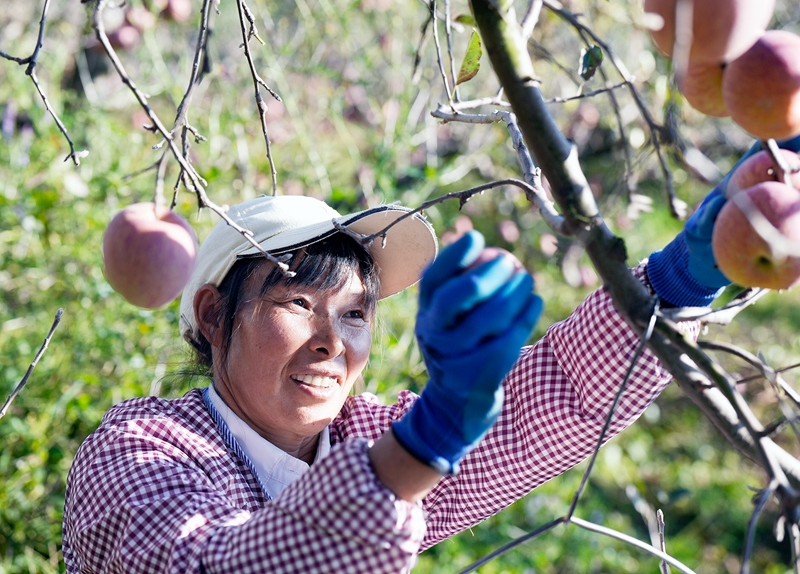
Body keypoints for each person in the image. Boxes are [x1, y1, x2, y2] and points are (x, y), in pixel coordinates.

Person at [63, 146, 757, 573]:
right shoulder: (138, 453)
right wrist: (422, 445)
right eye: (299, 303)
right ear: (215, 316)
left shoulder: (358, 439)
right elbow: (208, 563)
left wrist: (674, 284)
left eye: (356, 312)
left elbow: (536, 416)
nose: (333, 340)